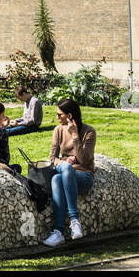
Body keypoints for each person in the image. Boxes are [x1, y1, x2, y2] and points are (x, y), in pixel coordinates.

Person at [43, 97, 98, 247]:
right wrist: (63, 162)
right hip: (64, 168)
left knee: (56, 180)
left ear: (70, 116)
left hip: (84, 176)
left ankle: (63, 229)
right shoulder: (58, 130)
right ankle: (69, 225)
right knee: (65, 170)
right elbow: (52, 158)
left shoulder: (89, 132)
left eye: (59, 114)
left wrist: (75, 136)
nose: (57, 117)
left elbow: (85, 160)